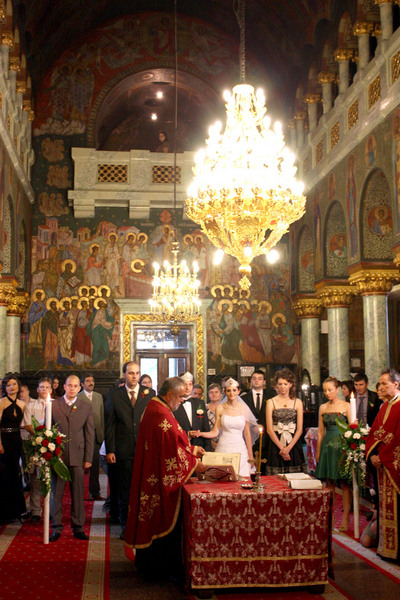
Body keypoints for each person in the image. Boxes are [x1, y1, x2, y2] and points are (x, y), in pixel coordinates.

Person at [124, 376, 205, 580]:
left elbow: (174, 441)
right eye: (180, 397)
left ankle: (152, 566)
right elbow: (171, 451)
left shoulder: (157, 407)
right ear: (169, 395)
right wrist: (194, 462)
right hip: (158, 476)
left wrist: (192, 449)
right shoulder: (161, 414)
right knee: (163, 517)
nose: (182, 401)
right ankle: (161, 569)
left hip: (153, 471)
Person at [105, 361, 155, 539]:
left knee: (144, 489)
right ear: (125, 374)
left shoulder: (149, 394)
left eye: (137, 373)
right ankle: (126, 526)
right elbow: (110, 424)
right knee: (125, 491)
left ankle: (143, 525)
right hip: (123, 450)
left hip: (144, 450)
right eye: (131, 373)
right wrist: (110, 450)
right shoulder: (115, 395)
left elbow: (153, 422)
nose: (134, 376)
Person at [50, 374, 95, 542]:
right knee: (56, 494)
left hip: (78, 455)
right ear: (64, 386)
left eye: (75, 386)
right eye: (69, 385)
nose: (72, 389)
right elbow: (47, 430)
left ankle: (78, 527)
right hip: (58, 456)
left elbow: (89, 433)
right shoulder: (53, 405)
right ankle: (56, 527)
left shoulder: (86, 406)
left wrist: (88, 457)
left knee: (77, 493)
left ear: (79, 387)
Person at [366, 369, 400, 563]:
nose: (380, 387)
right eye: (379, 384)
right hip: (382, 469)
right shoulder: (384, 407)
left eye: (384, 383)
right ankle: (387, 548)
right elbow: (374, 434)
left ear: (396, 384)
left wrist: (383, 457)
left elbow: (397, 440)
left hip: (394, 467)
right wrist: (373, 455)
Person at [194, 378, 255, 478]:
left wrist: (250, 455)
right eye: (229, 390)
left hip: (239, 447)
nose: (232, 393)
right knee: (221, 477)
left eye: (234, 390)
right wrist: (200, 433)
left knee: (241, 477)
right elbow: (215, 432)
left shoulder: (244, 408)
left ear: (238, 391)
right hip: (224, 445)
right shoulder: (220, 408)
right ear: (225, 392)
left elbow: (247, 433)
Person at [315, 376, 352, 532]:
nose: (327, 393)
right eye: (325, 390)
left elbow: (353, 428)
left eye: (330, 390)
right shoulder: (323, 407)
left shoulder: (347, 406)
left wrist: (351, 449)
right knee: (329, 483)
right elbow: (320, 432)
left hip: (342, 446)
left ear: (337, 389)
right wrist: (318, 452)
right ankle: (330, 516)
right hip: (327, 447)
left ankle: (345, 518)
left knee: (344, 484)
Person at [22, 377, 53, 522]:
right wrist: (40, 438)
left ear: (51, 389)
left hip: (50, 447)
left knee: (49, 479)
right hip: (34, 445)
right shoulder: (31, 405)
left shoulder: (55, 405)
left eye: (47, 387)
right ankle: (35, 511)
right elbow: (27, 424)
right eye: (41, 387)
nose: (44, 389)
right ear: (37, 389)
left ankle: (51, 509)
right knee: (35, 479)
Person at [265, 368, 306, 475]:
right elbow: (269, 429)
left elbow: (300, 429)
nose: (282, 386)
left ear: (290, 384)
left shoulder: (298, 402)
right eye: (280, 384)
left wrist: (288, 448)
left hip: (293, 443)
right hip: (276, 443)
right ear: (276, 385)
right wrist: (282, 449)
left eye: (285, 384)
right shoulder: (270, 402)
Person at [0, 374, 27, 524]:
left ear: (18, 386)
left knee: (16, 473)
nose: (12, 387)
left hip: (16, 440)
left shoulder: (22, 404)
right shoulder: (1, 403)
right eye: (9, 385)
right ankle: (4, 512)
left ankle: (17, 510)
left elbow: (24, 424)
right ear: (5, 388)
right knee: (4, 475)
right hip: (4, 441)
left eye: (14, 384)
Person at [77, 374, 105, 501]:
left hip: (96, 435)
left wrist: (102, 434)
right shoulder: (78, 397)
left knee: (94, 466)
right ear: (82, 384)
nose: (91, 383)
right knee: (80, 466)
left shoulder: (99, 396)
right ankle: (79, 493)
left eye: (92, 380)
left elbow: (102, 415)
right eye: (88, 381)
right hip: (82, 436)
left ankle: (95, 491)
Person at [174, 372, 212, 452]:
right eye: (185, 384)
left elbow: (206, 427)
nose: (187, 388)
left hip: (199, 447)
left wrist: (208, 450)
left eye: (190, 384)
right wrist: (188, 434)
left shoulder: (200, 403)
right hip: (181, 448)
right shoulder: (174, 404)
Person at [242, 370, 268, 473]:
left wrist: (263, 426)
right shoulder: (244, 398)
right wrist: (253, 426)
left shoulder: (271, 397)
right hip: (249, 436)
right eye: (254, 379)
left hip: (266, 437)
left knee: (264, 468)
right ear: (251, 381)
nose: (257, 381)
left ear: (264, 381)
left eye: (260, 379)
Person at [206, 383, 222, 449]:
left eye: (216, 392)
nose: (214, 394)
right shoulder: (204, 408)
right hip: (208, 440)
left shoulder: (224, 407)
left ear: (220, 394)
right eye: (211, 392)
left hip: (222, 440)